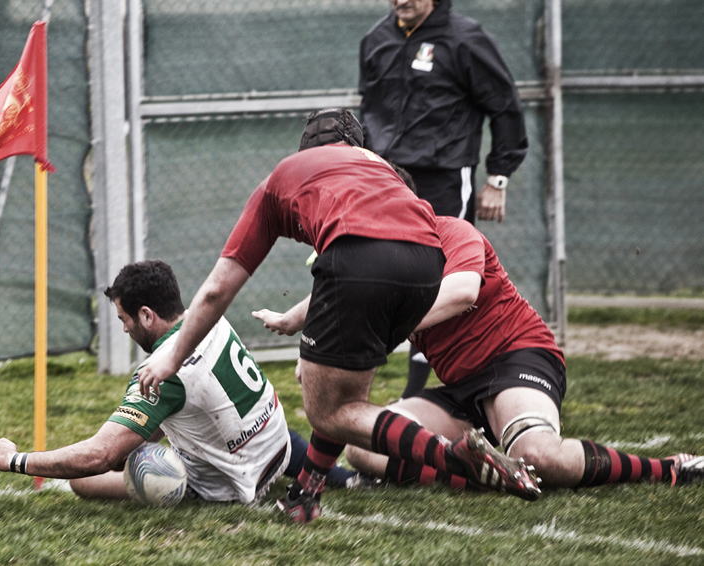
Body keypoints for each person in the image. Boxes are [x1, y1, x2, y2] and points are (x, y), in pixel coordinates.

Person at [136, 108, 541, 524]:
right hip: (425, 263)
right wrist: (300, 322)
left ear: (306, 151)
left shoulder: (285, 176)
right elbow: (388, 243)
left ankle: (452, 456)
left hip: (361, 262)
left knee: (329, 409)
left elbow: (217, 290)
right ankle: (305, 494)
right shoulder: (381, 170)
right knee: (343, 398)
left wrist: (172, 358)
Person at [329, 216, 704, 491]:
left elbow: (463, 293)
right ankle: (488, 474)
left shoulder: (450, 231)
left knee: (538, 455)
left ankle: (668, 468)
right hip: (462, 388)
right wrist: (322, 350)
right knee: (362, 446)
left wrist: (386, 323)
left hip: (517, 358)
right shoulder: (378, 265)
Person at [0, 261, 310, 504]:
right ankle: (328, 471)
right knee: (141, 440)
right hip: (277, 446)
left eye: (124, 319)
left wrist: (13, 459)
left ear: (146, 315)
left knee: (83, 480)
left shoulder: (161, 370)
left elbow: (100, 455)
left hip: (235, 483)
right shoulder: (209, 318)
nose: (124, 329)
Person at [359, 0, 529, 395]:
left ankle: (419, 390)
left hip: (445, 178)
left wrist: (498, 178)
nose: (401, 0)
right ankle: (359, 373)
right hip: (387, 179)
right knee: (381, 271)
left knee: (440, 279)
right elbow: (369, 110)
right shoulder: (375, 39)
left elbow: (505, 107)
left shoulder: (466, 39)